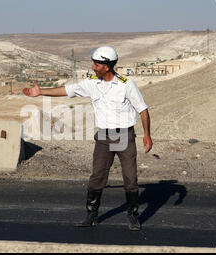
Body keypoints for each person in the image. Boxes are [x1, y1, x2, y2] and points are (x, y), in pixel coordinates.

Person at [22, 46, 153, 231]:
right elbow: (67, 90)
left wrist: (147, 135)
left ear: (107, 67)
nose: (93, 67)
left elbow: (143, 109)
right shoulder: (91, 82)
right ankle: (91, 215)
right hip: (103, 136)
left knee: (130, 178)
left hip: (124, 135)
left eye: (97, 64)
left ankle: (132, 215)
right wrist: (41, 91)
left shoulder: (126, 84)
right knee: (97, 176)